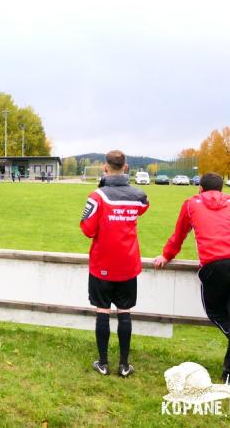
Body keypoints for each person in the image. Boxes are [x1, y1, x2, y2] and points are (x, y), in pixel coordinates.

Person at [154, 172, 230, 383]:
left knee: (215, 312)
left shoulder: (191, 204)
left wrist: (166, 255)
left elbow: (179, 235)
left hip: (216, 262)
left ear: (200, 188)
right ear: (222, 189)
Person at [80, 150, 149, 378]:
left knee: (102, 311)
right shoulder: (138, 195)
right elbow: (143, 207)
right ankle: (124, 365)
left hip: (102, 263)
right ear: (126, 167)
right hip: (128, 264)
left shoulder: (98, 196)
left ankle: (103, 363)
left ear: (104, 167)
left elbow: (87, 229)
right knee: (124, 312)